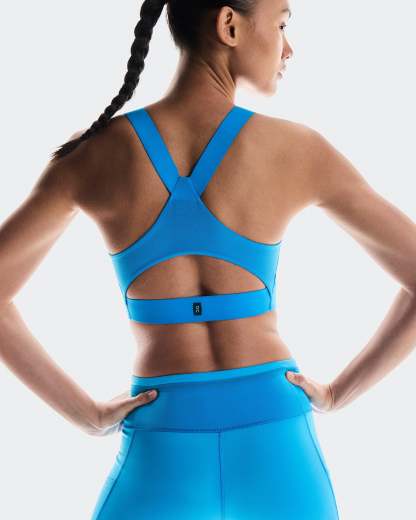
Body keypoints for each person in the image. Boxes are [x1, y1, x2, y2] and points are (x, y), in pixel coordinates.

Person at [1, 0, 416, 518]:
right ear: (229, 25)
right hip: (277, 439)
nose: (289, 48)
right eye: (282, 24)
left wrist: (85, 414)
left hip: (161, 440)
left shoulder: (94, 154)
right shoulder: (297, 150)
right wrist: (337, 394)